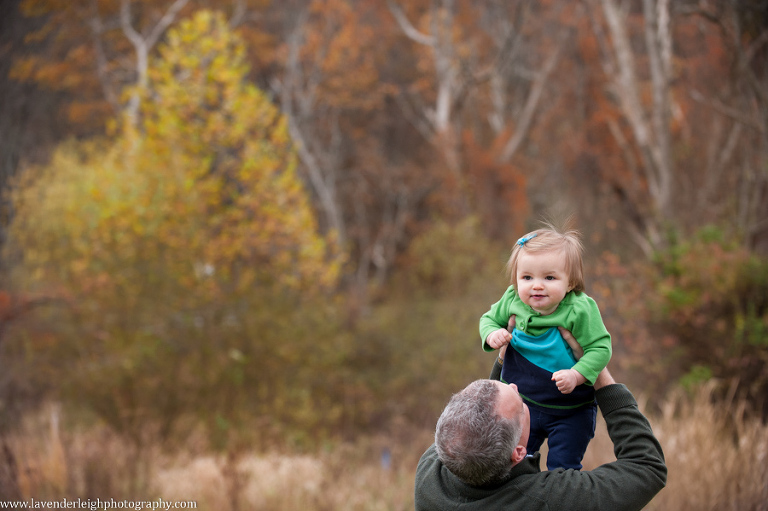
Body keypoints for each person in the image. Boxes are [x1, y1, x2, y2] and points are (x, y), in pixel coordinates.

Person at [414, 368, 667, 511]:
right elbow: (646, 468)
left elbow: (478, 425)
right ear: (519, 453)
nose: (514, 386)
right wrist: (598, 370)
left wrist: (505, 359)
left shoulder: (430, 474)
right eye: (522, 405)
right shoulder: (550, 501)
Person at [480, 225, 612, 470]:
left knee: (562, 468)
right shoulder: (512, 300)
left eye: (549, 278)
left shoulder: (579, 309)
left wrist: (577, 374)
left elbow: (601, 348)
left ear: (571, 282)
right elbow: (487, 320)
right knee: (513, 466)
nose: (537, 285)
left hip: (571, 410)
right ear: (516, 279)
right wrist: (492, 334)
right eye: (527, 277)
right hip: (523, 406)